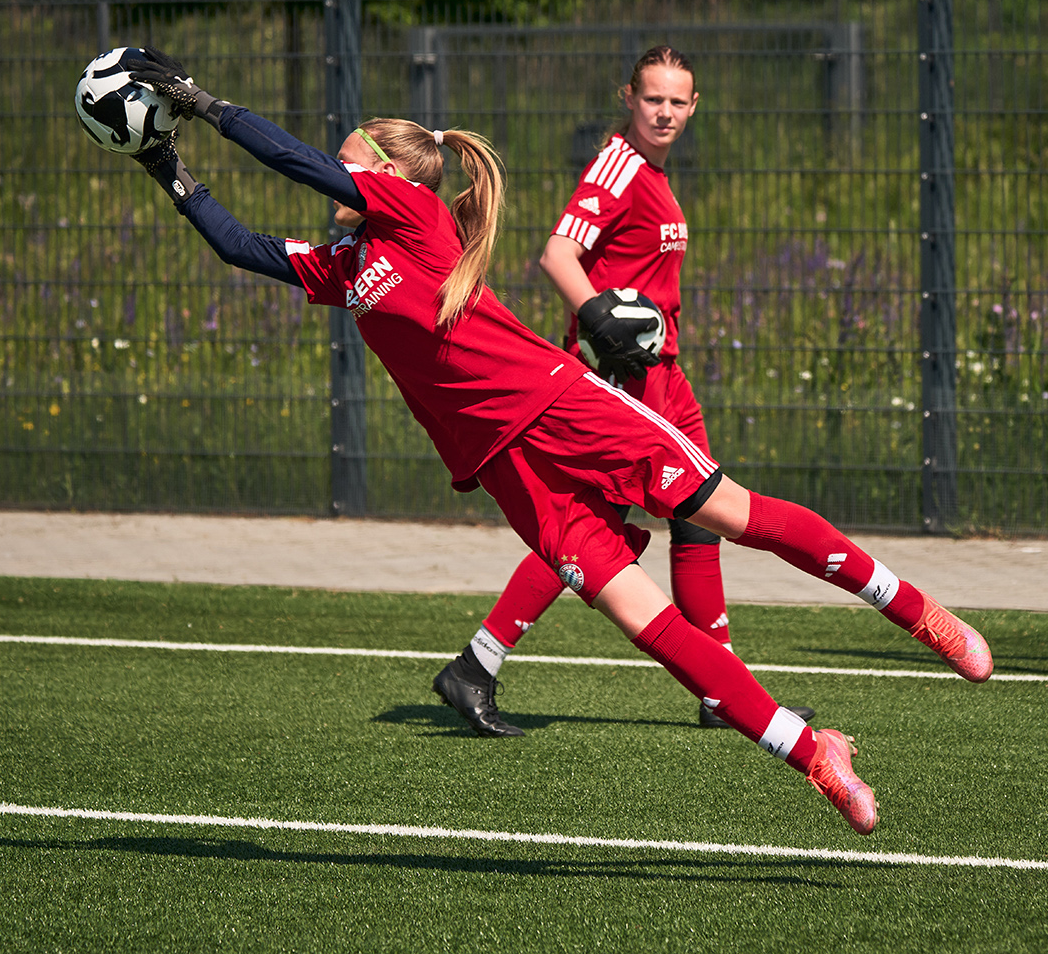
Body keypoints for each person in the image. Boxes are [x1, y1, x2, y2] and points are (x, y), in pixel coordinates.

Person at [117, 48, 994, 835]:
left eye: (351, 155)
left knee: (727, 513)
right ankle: (815, 757)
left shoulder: (414, 213)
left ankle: (919, 613)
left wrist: (202, 101)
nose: (339, 165)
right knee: (638, 619)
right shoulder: (344, 269)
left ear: (383, 172)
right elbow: (239, 247)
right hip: (506, 469)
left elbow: (299, 165)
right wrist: (167, 166)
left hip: (565, 407)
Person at [430, 46, 813, 736]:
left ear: (694, 106)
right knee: (598, 531)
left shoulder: (657, 176)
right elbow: (558, 253)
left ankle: (719, 689)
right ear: (627, 99)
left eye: (677, 101)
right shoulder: (620, 165)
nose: (664, 112)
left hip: (667, 371)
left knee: (700, 518)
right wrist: (599, 317)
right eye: (652, 99)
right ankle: (477, 662)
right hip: (623, 377)